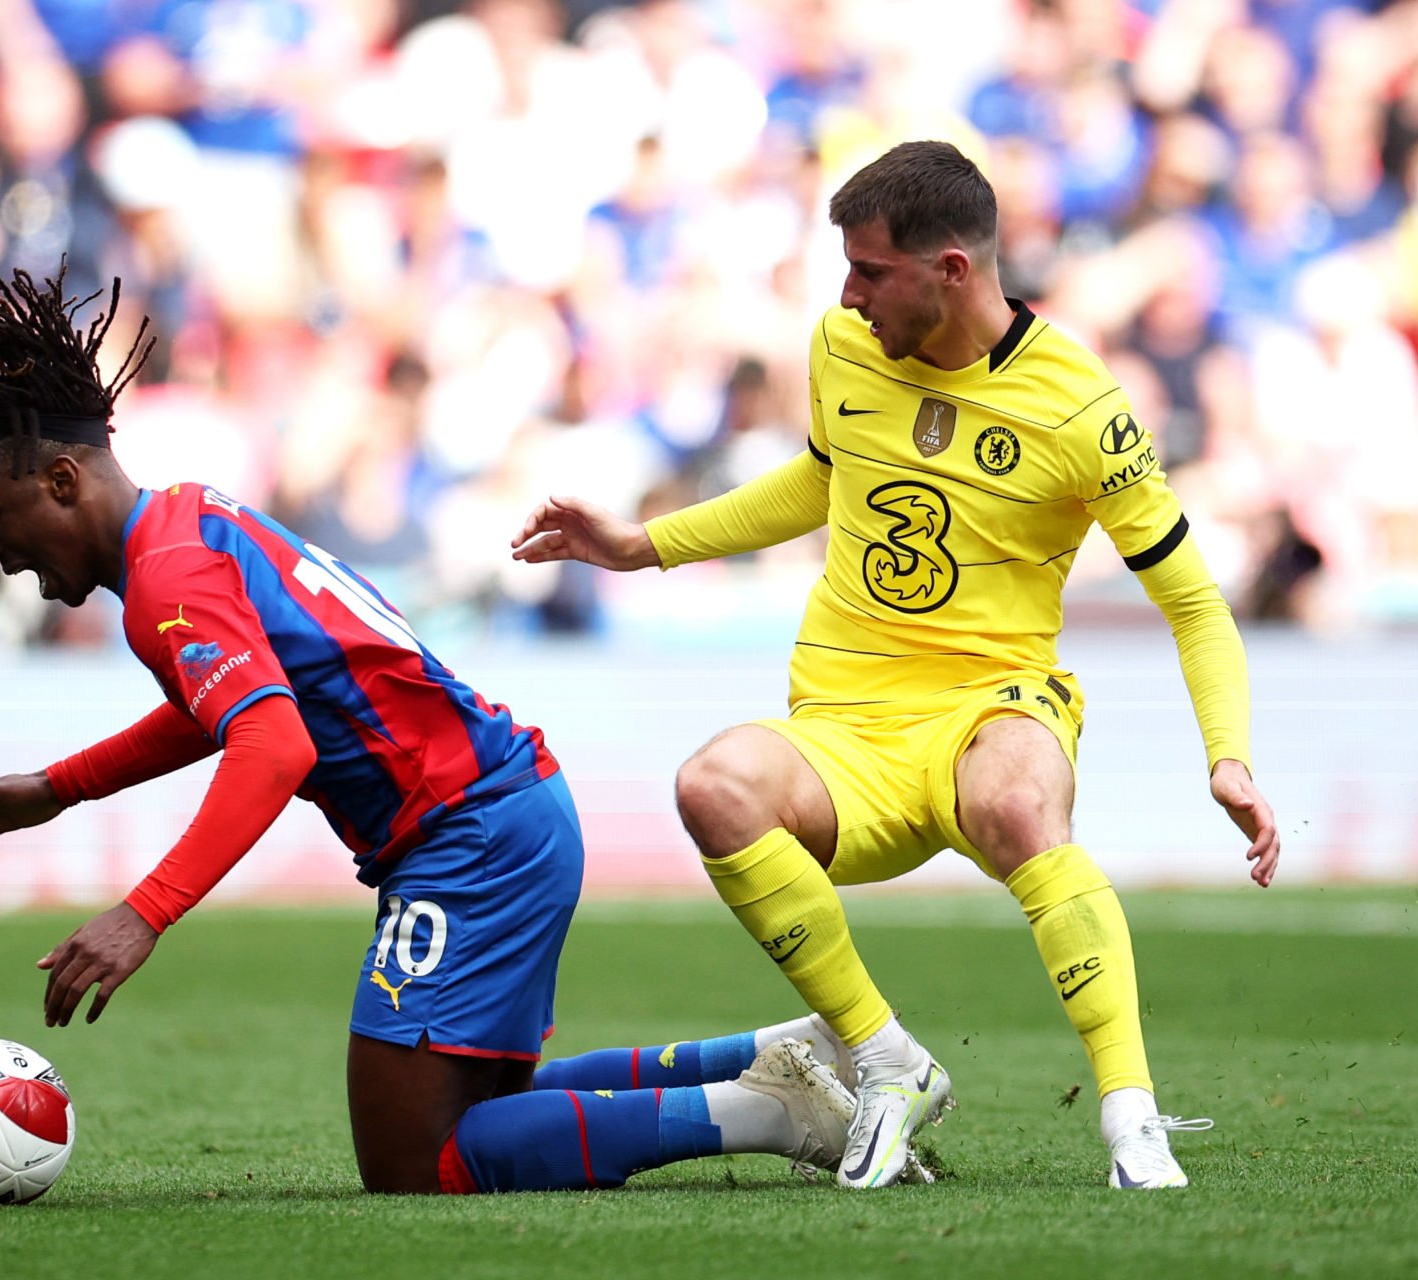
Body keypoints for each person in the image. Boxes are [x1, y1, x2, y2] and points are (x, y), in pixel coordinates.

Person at [0, 265, 862, 1195]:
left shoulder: (167, 580)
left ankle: (767, 1112)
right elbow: (234, 707)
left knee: (415, 1156)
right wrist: (58, 786)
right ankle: (774, 1057)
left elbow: (273, 745)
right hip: (500, 811)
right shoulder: (185, 524)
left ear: (61, 480)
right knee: (482, 1108)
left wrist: (142, 912)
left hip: (470, 836)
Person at [512, 141, 1281, 1191]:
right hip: (847, 728)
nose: (848, 292)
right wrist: (641, 543)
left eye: (871, 270)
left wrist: (1227, 755)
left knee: (1018, 801)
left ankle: (1130, 1113)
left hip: (991, 707)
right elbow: (821, 483)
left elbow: (1192, 597)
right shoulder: (842, 346)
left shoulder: (1079, 407)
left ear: (952, 270)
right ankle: (883, 1055)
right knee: (713, 784)